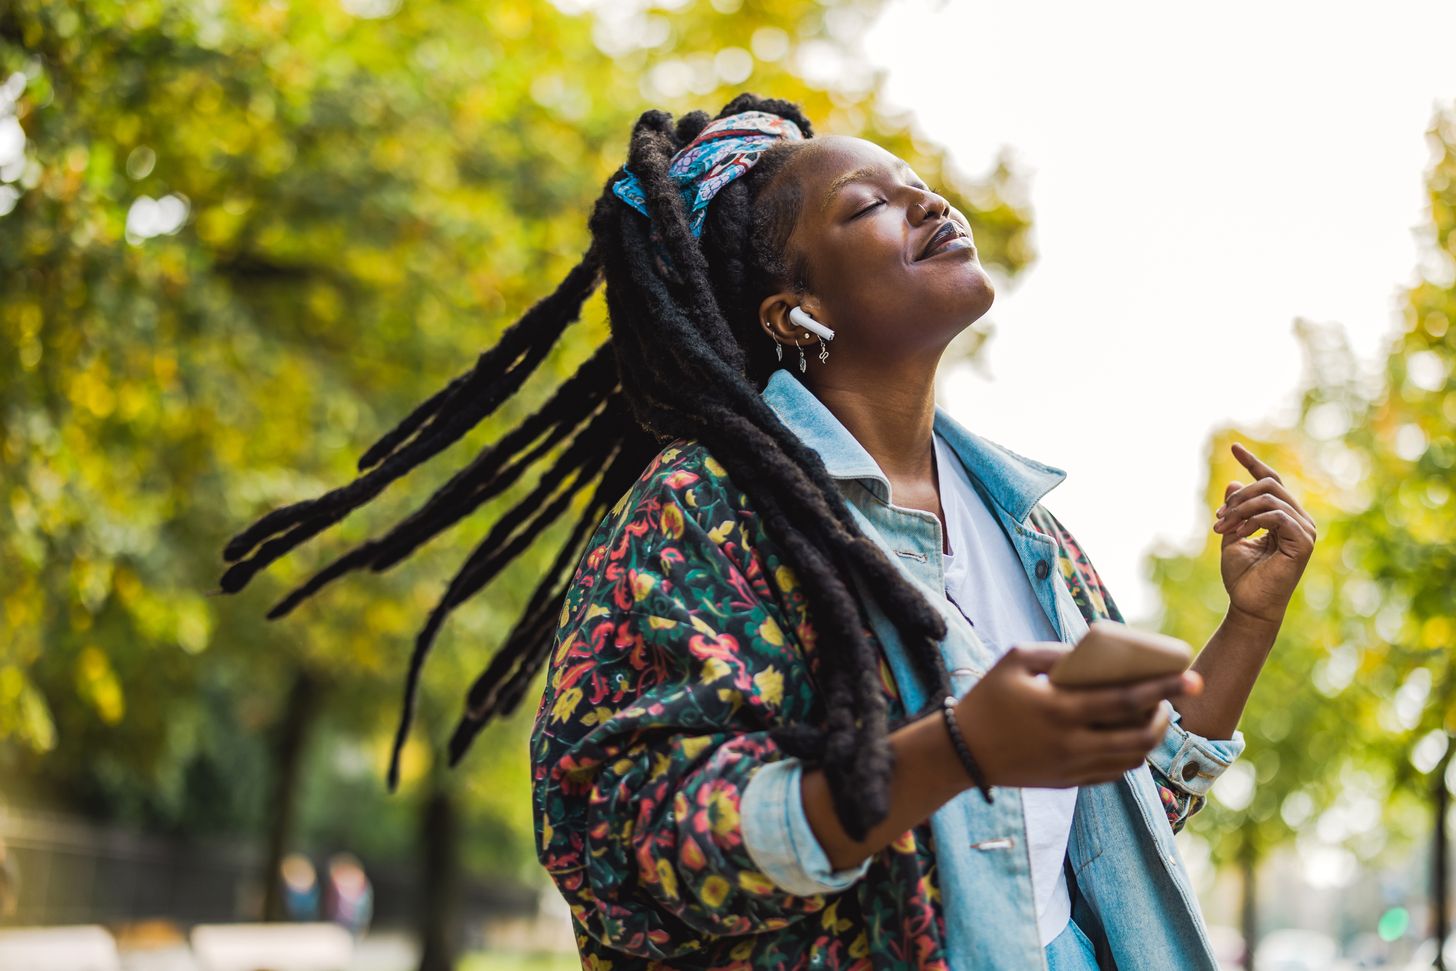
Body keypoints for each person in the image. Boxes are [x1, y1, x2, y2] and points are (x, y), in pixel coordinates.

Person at [221, 93, 1316, 969]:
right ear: (796, 312)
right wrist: (957, 749)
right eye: (868, 205)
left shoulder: (1027, 526)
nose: (928, 202)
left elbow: (1119, 805)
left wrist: (1245, 627)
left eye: (919, 183)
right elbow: (624, 845)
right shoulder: (695, 517)